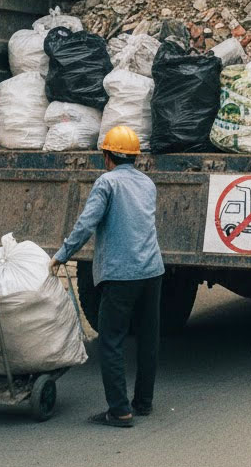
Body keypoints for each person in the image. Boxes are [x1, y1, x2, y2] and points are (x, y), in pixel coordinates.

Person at [48, 125, 164, 428]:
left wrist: (62, 254)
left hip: (121, 273)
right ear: (135, 157)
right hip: (152, 271)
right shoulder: (147, 184)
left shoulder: (107, 183)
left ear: (106, 156)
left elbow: (87, 223)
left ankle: (120, 411)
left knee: (111, 340)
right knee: (148, 338)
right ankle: (143, 402)